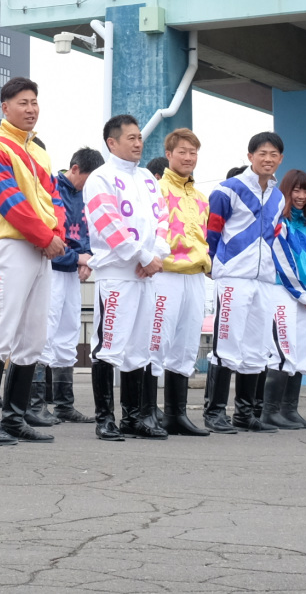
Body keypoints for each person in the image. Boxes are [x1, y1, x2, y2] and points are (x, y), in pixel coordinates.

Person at [0, 76, 68, 447]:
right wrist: (47, 238)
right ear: (5, 108)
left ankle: (13, 417)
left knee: (33, 338)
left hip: (42, 249)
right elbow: (10, 202)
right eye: (23, 103)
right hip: (12, 246)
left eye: (34, 102)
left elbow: (54, 200)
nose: (30, 109)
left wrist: (55, 234)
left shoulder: (39, 152)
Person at [86, 116, 172, 441]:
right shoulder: (100, 178)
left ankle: (133, 417)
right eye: (131, 138)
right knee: (110, 346)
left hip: (145, 275)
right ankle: (104, 418)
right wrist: (142, 255)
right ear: (112, 142)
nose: (138, 143)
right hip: (117, 275)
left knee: (138, 348)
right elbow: (108, 224)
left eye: (139, 138)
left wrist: (156, 254)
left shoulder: (149, 177)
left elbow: (162, 217)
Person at [207, 133, 287, 433]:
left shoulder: (279, 197)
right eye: (262, 153)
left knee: (256, 347)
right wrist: (214, 263)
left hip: (264, 280)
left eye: (274, 154)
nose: (268, 158)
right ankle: (215, 412)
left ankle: (245, 413)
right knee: (226, 344)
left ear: (281, 158)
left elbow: (275, 236)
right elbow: (212, 229)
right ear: (250, 155)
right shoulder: (229, 189)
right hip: (233, 277)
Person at [153, 128, 212, 436]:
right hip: (166, 274)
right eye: (183, 152)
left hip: (195, 276)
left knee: (186, 346)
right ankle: (149, 412)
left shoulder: (201, 198)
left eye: (193, 152)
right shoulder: (157, 189)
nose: (188, 157)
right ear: (169, 154)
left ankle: (176, 415)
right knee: (157, 342)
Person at [43, 147, 97, 427]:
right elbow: (48, 234)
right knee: (45, 332)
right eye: (87, 179)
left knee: (68, 334)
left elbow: (89, 234)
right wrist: (78, 258)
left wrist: (87, 260)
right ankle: (36, 403)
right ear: (74, 169)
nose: (89, 187)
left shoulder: (87, 195)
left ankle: (65, 404)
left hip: (73, 272)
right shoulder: (53, 187)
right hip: (52, 269)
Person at [265, 169, 306, 431]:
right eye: (295, 190)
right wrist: (301, 293)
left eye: (305, 191)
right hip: (283, 291)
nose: (300, 196)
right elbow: (282, 259)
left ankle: (290, 410)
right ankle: (270, 411)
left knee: (303, 350)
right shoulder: (280, 221)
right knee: (283, 349)